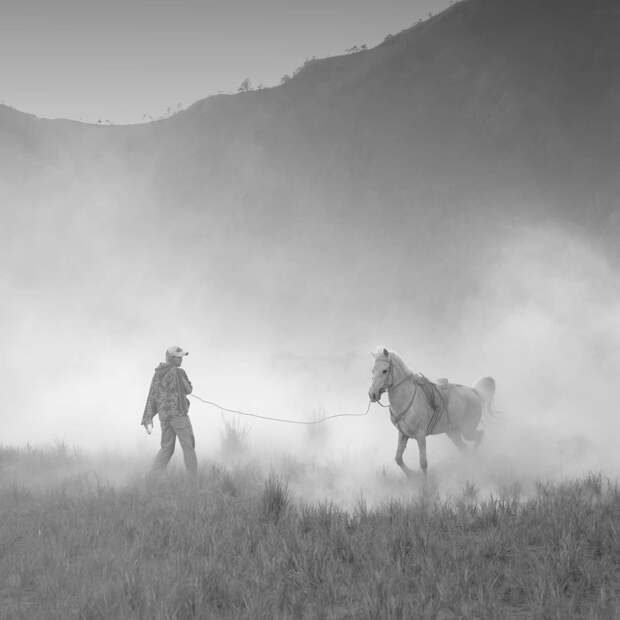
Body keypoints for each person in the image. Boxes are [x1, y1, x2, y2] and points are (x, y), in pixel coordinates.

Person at [142, 345, 197, 478]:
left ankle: (151, 480)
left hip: (165, 417)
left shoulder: (158, 373)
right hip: (179, 416)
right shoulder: (179, 372)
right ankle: (193, 484)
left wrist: (148, 418)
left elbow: (152, 395)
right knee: (188, 447)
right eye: (179, 358)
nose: (181, 360)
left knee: (166, 449)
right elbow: (189, 389)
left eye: (181, 357)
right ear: (172, 358)